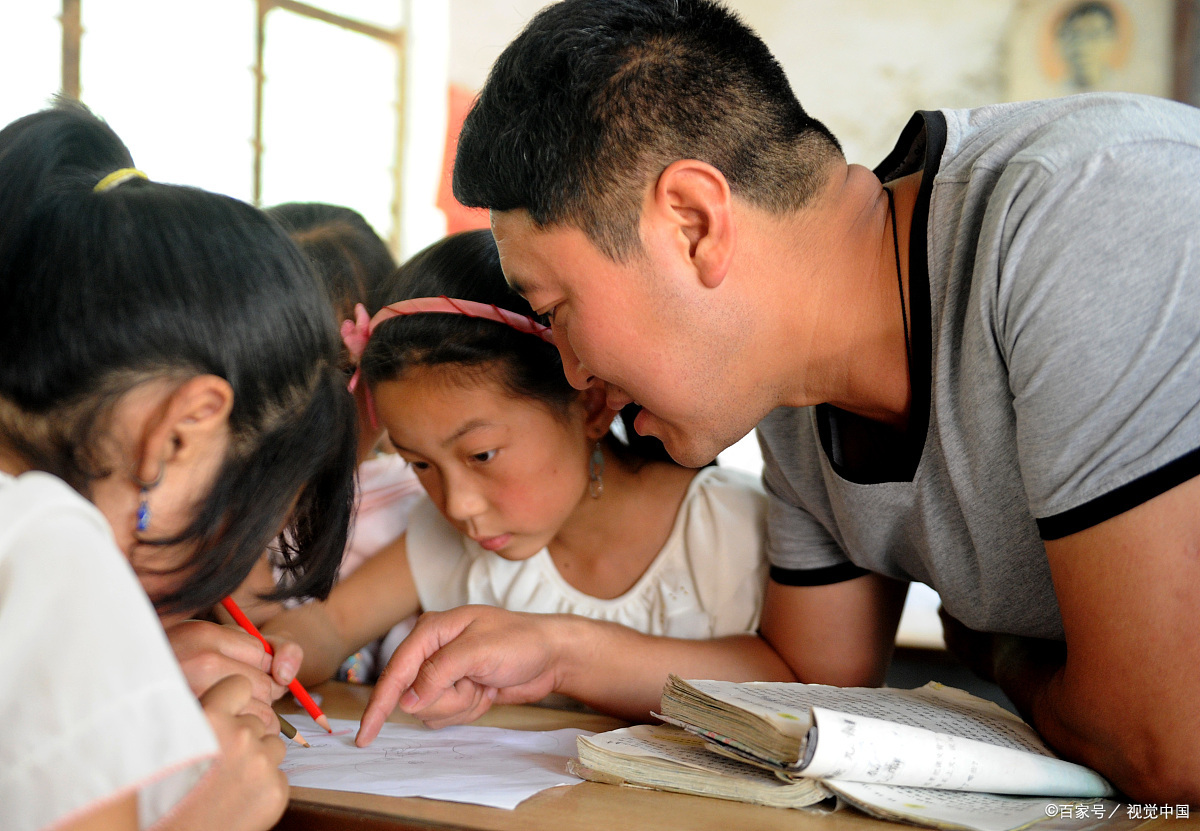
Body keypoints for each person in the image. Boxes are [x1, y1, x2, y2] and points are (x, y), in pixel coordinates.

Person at [359, 0, 1200, 803]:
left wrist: (1005, 655)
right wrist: (556, 647)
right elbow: (812, 683)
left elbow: (1169, 746)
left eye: (556, 310)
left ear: (693, 222)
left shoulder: (1087, 214)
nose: (574, 372)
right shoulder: (794, 403)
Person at [260, 228, 776, 733]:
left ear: (591, 405)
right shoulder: (449, 540)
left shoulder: (730, 529)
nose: (458, 505)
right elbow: (330, 625)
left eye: (482, 455)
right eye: (420, 464)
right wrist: (277, 653)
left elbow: (792, 683)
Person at [0, 103, 357, 831]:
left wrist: (130, 675)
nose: (223, 575)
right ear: (180, 433)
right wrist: (207, 814)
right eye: (242, 524)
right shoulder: (52, 551)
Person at [225, 203, 425, 683]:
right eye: (278, 373)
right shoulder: (201, 507)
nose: (307, 412)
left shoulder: (419, 505)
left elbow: (298, 645)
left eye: (339, 371)